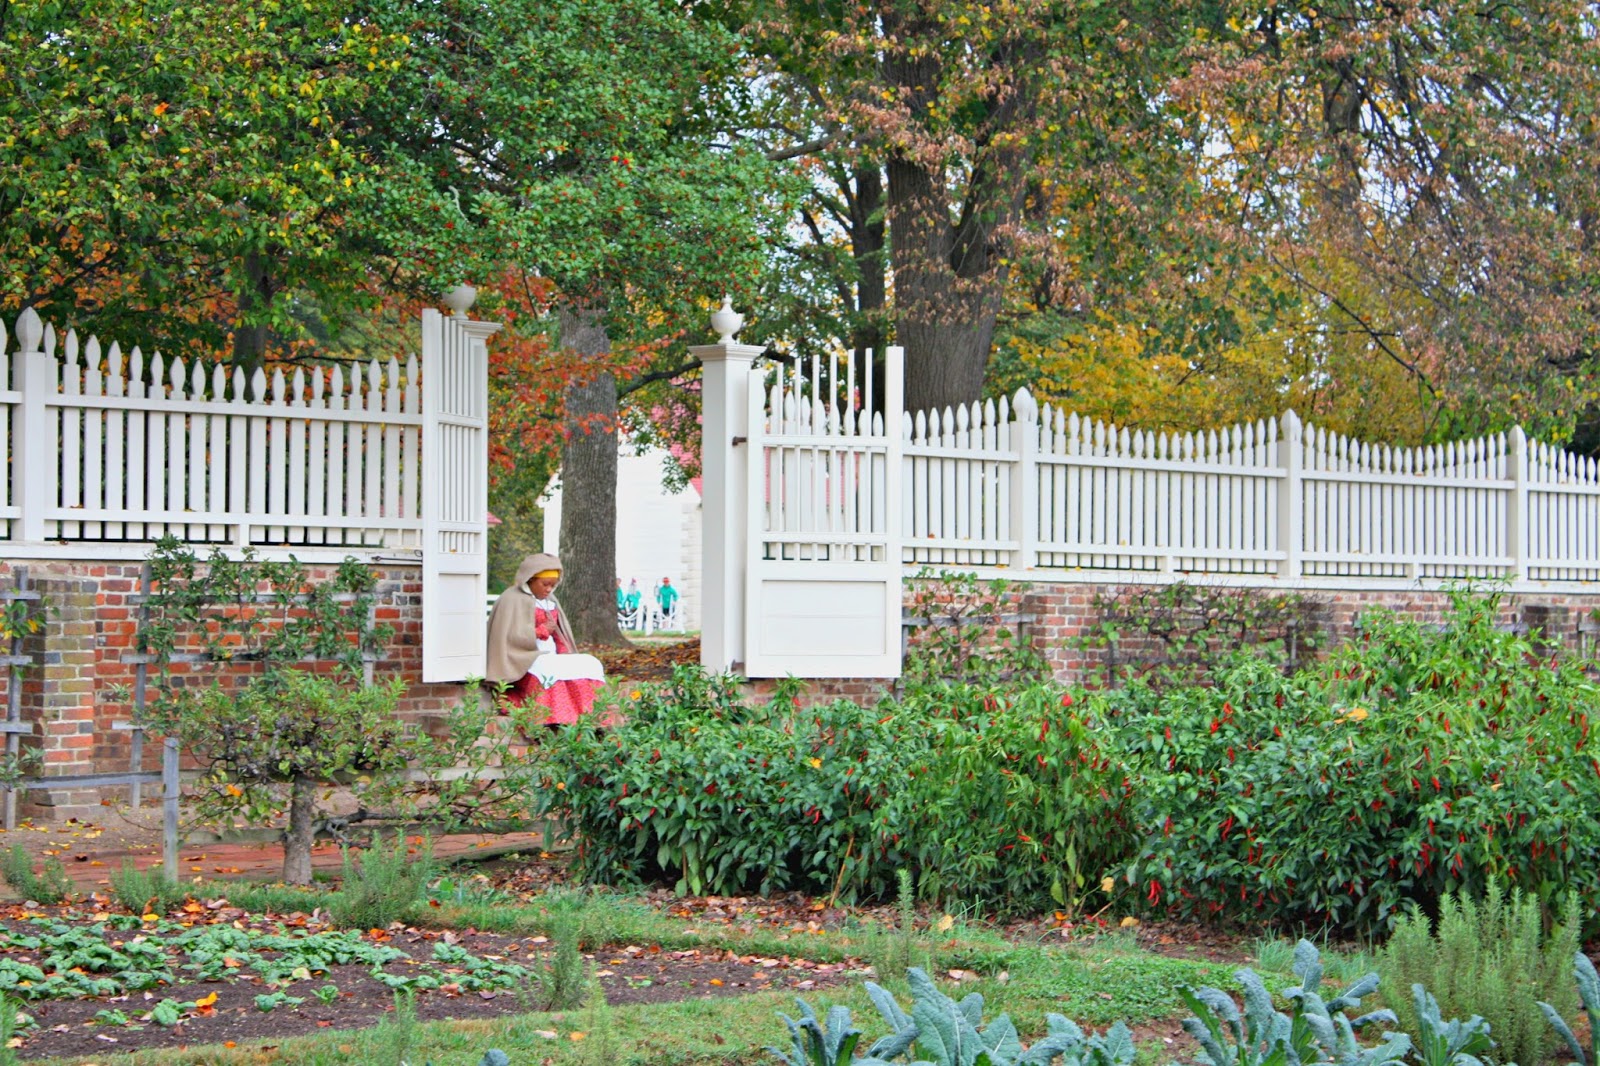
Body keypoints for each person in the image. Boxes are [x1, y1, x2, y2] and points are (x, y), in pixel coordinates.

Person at [485, 553, 605, 725]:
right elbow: (508, 637)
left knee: (590, 663)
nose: (549, 589)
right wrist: (541, 631)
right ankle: (551, 717)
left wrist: (565, 652)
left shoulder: (551, 601)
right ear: (530, 579)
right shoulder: (511, 599)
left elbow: (559, 633)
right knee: (548, 667)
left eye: (553, 585)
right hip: (523, 657)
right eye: (545, 584)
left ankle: (587, 716)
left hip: (550, 653)